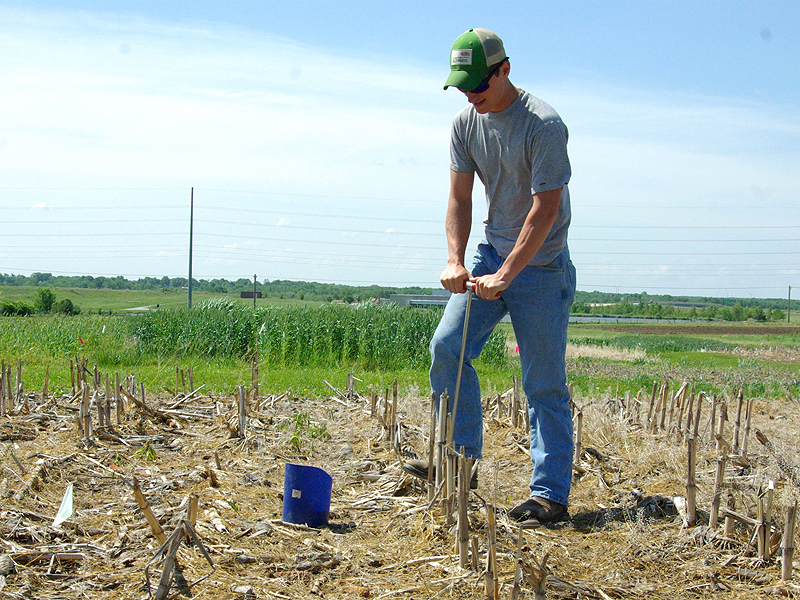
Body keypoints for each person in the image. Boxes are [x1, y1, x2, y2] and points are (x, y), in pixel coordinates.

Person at [403, 28, 576, 524]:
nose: (470, 95)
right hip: (488, 257)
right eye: (461, 86)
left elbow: (546, 209)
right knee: (447, 346)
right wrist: (457, 260)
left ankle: (550, 497)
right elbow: (459, 199)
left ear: (504, 69)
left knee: (543, 384)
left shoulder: (542, 124)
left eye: (478, 84)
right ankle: (459, 464)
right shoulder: (464, 123)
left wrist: (507, 273)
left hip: (541, 268)